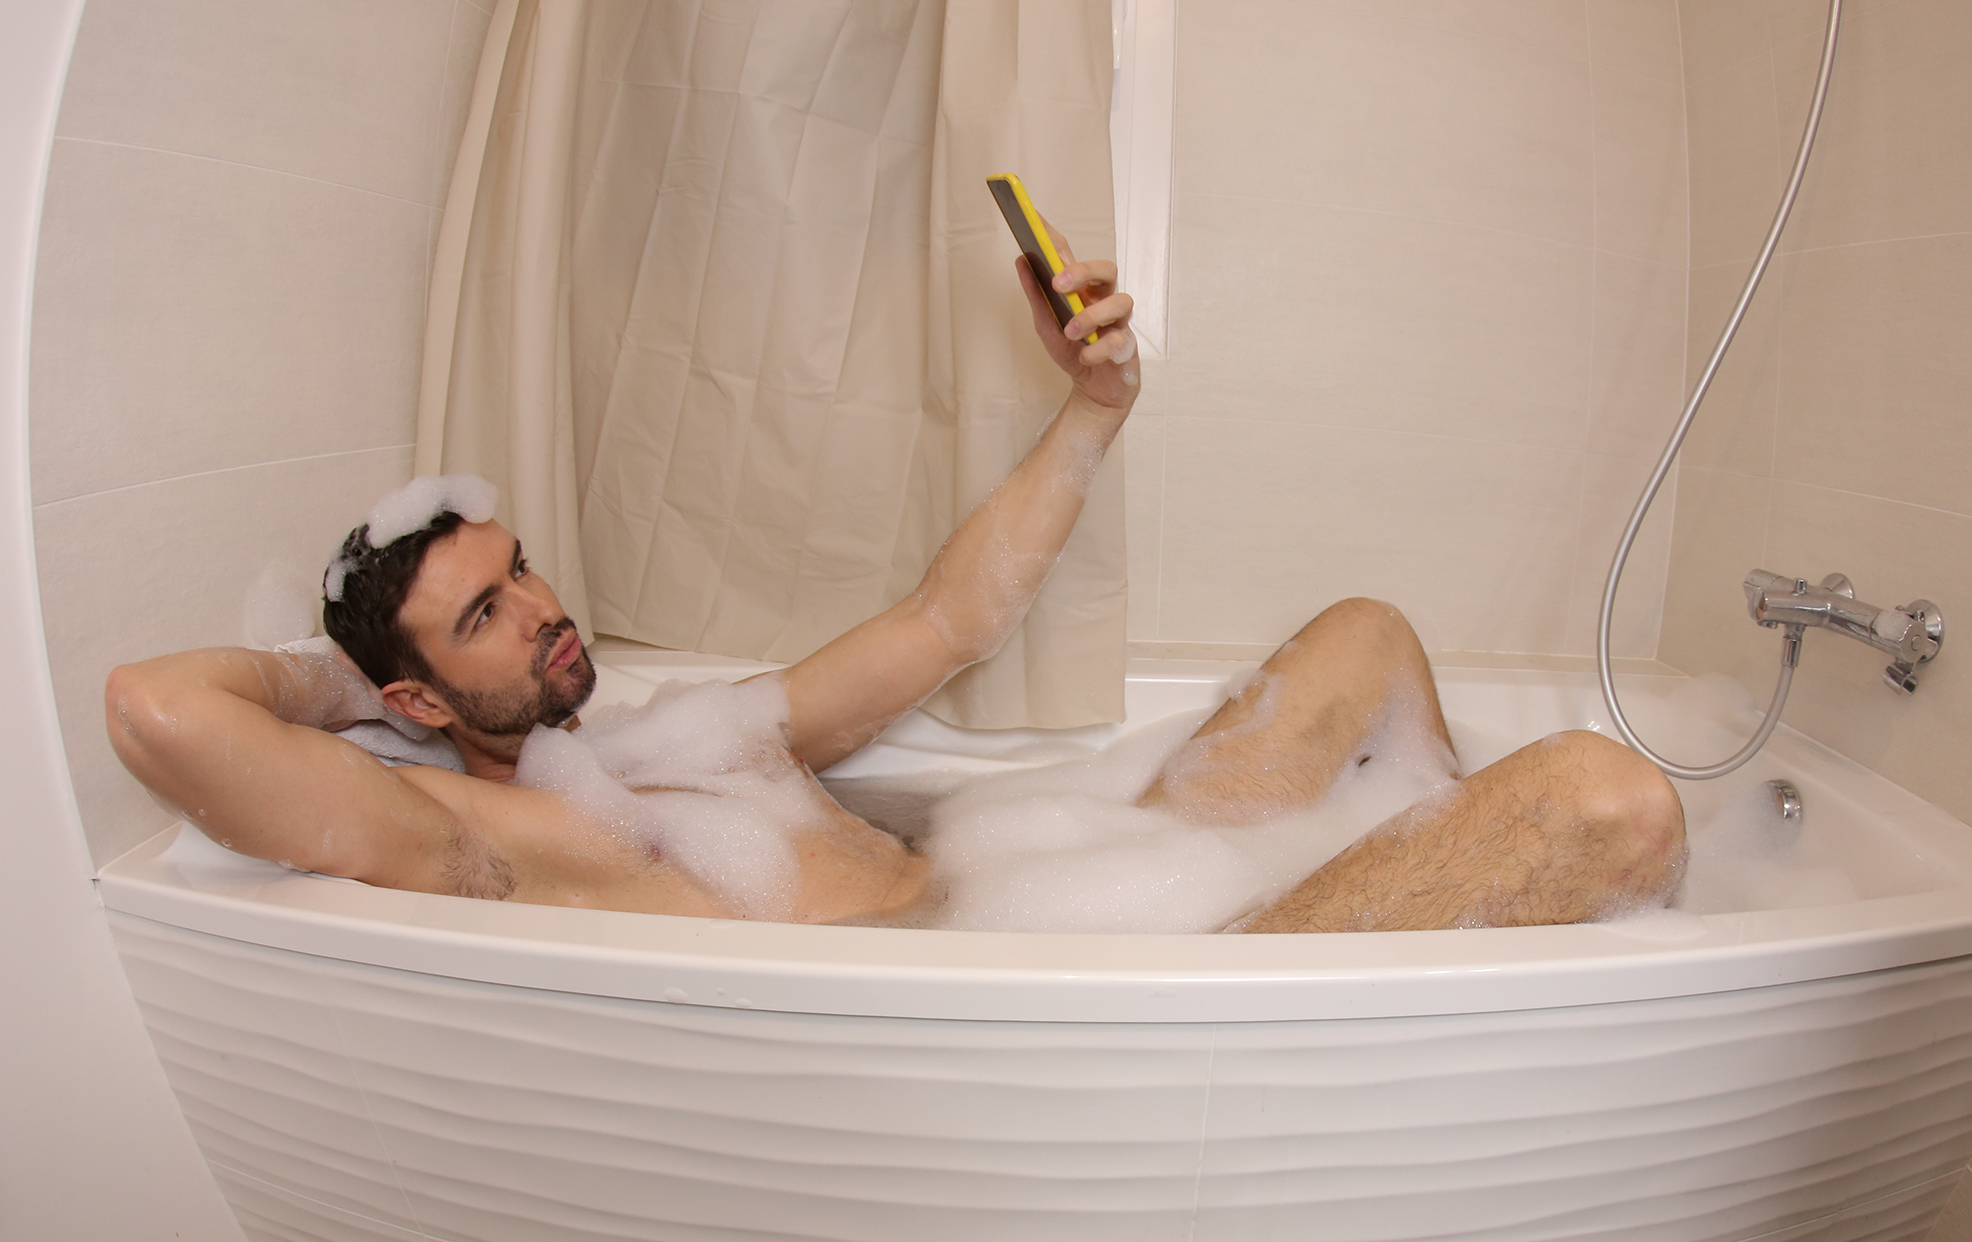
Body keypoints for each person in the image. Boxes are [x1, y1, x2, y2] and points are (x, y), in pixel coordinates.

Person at [107, 240, 1684, 932]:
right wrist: (342, 690)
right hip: (1077, 1007)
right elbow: (158, 709)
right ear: (413, 693)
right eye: (481, 620)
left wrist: (1096, 404)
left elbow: (948, 621)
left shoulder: (691, 739)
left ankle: (1452, 929)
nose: (539, 611)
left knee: (1369, 634)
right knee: (1611, 807)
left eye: (519, 574)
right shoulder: (487, 837)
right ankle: (1486, 912)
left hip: (1076, 912)